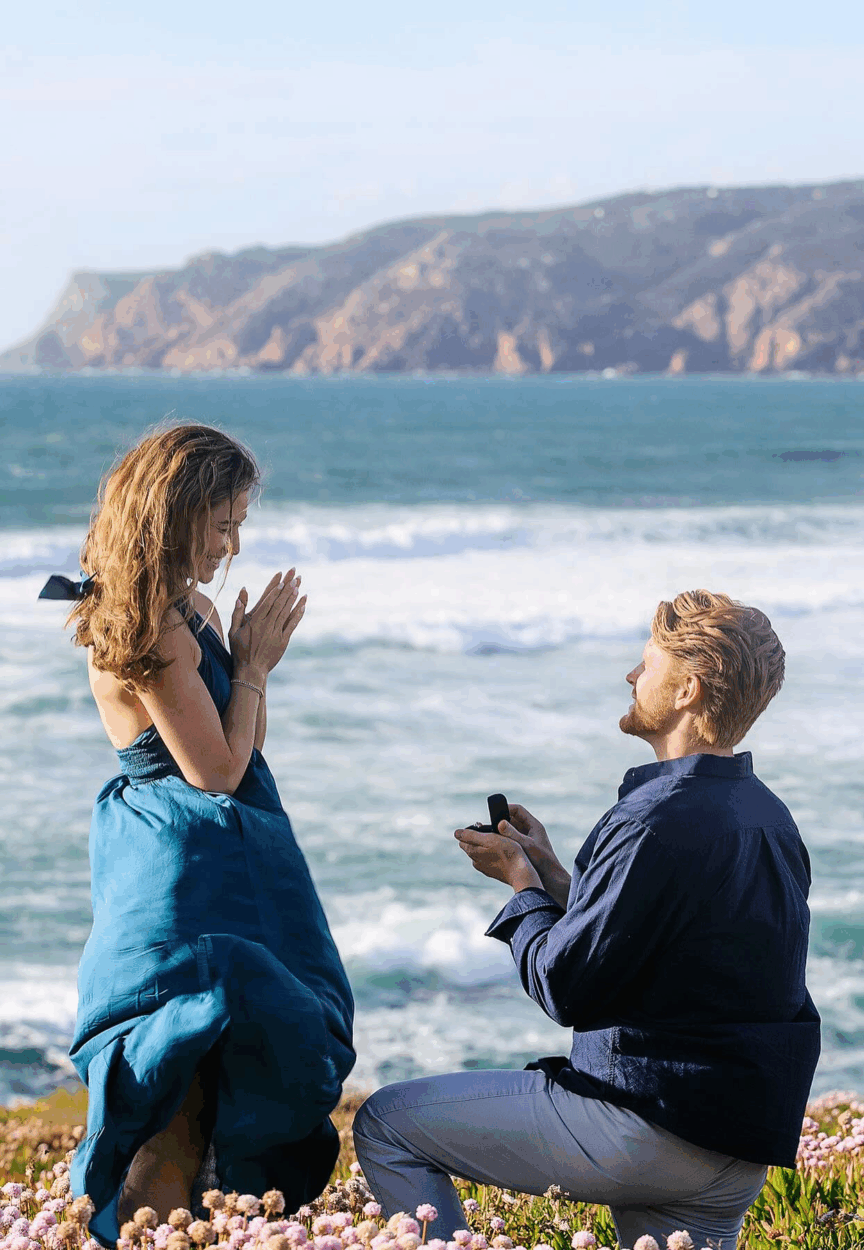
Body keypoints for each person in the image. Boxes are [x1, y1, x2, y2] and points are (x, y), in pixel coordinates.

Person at [352, 590, 821, 1250]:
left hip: (648, 1124)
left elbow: (565, 986)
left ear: (686, 689)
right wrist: (549, 871)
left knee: (385, 1123)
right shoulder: (768, 815)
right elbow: (666, 947)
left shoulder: (650, 819)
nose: (631, 676)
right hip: (739, 1143)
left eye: (646, 664)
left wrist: (519, 884)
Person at [45, 424, 354, 1248]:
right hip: (182, 869)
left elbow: (244, 743)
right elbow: (215, 772)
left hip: (221, 862)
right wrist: (251, 667)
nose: (233, 544)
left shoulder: (191, 608)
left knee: (217, 1085)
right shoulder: (149, 624)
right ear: (176, 514)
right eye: (223, 524)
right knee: (173, 1096)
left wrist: (252, 669)